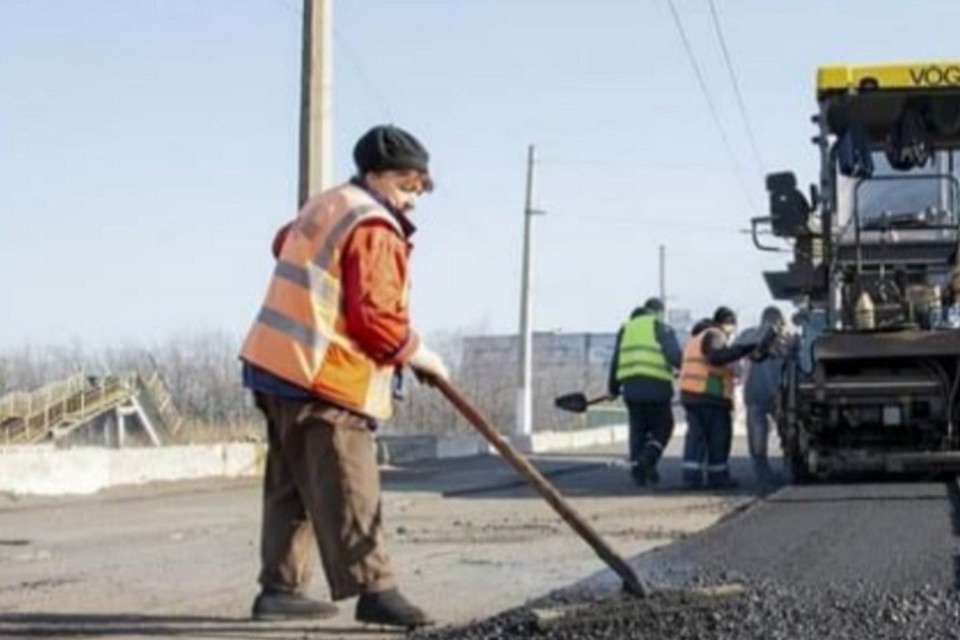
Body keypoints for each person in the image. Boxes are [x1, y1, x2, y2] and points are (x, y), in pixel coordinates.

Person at [239, 125, 448, 629]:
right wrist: (419, 354)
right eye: (405, 184)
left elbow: (281, 245)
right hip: (322, 376)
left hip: (274, 365)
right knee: (349, 482)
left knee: (293, 485)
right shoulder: (374, 225)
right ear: (374, 176)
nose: (412, 200)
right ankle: (376, 591)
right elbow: (375, 321)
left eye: (418, 188)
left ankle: (281, 589)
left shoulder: (327, 205)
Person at [679, 307, 767, 489]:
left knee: (696, 437)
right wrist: (742, 350)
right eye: (732, 327)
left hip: (691, 395)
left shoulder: (695, 338)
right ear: (727, 323)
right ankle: (718, 478)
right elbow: (716, 357)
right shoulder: (715, 335)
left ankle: (691, 478)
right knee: (719, 438)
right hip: (710, 395)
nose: (732, 332)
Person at [607, 297, 682, 486]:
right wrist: (683, 369)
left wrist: (613, 388)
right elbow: (674, 355)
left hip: (631, 390)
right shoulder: (660, 328)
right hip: (657, 387)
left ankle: (639, 472)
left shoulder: (625, 330)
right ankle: (647, 459)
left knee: (638, 430)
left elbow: (616, 361)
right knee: (664, 426)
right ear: (658, 312)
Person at [739, 306, 788, 485]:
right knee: (788, 432)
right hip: (780, 395)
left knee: (757, 435)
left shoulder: (747, 336)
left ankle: (762, 474)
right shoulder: (787, 340)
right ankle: (789, 468)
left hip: (754, 394)